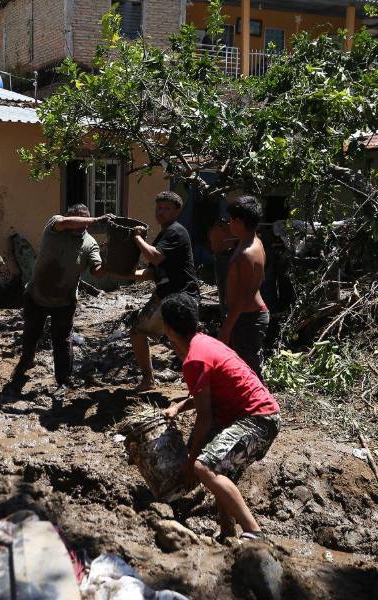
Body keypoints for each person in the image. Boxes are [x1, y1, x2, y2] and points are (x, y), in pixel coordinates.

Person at [160, 292, 280, 541]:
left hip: (258, 420)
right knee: (220, 470)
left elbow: (205, 417)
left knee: (205, 466)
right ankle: (227, 534)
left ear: (169, 329)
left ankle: (255, 532)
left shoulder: (194, 359)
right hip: (257, 417)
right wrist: (178, 408)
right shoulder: (204, 342)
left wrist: (191, 462)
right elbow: (207, 397)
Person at [13, 204, 111, 385]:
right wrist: (97, 220)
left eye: (85, 220)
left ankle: (63, 380)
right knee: (31, 334)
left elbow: (96, 269)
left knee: (62, 342)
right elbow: (66, 223)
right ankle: (26, 362)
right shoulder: (55, 226)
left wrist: (107, 265)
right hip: (37, 295)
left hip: (65, 300)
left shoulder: (90, 243)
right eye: (78, 219)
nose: (82, 224)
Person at [128, 191, 199, 392]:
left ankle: (202, 385)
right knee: (138, 333)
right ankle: (149, 380)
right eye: (159, 208)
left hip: (179, 298)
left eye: (167, 209)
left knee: (182, 344)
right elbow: (150, 272)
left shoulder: (175, 231)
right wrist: (113, 272)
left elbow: (155, 257)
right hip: (165, 296)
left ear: (178, 211)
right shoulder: (165, 233)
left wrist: (137, 238)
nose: (161, 212)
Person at [218, 196, 268, 379]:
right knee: (242, 366)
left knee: (248, 370)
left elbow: (243, 297)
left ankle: (261, 405)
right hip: (246, 316)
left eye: (231, 220)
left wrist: (227, 327)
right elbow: (259, 279)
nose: (229, 224)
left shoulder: (246, 254)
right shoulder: (254, 242)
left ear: (239, 222)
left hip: (248, 318)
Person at [208, 215, 238, 317]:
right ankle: (226, 310)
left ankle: (225, 310)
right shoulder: (223, 231)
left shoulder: (214, 230)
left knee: (223, 284)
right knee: (225, 284)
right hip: (224, 257)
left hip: (220, 257)